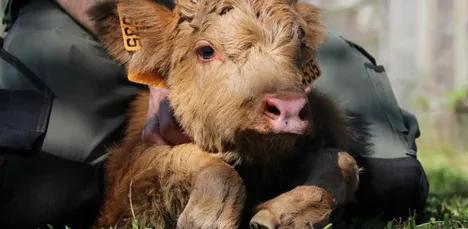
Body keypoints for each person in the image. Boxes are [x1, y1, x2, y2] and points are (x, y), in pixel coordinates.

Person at [0, 0, 429, 228]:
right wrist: (171, 66)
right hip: (101, 11)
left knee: (395, 183)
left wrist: (287, 55)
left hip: (263, 19)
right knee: (32, 189)